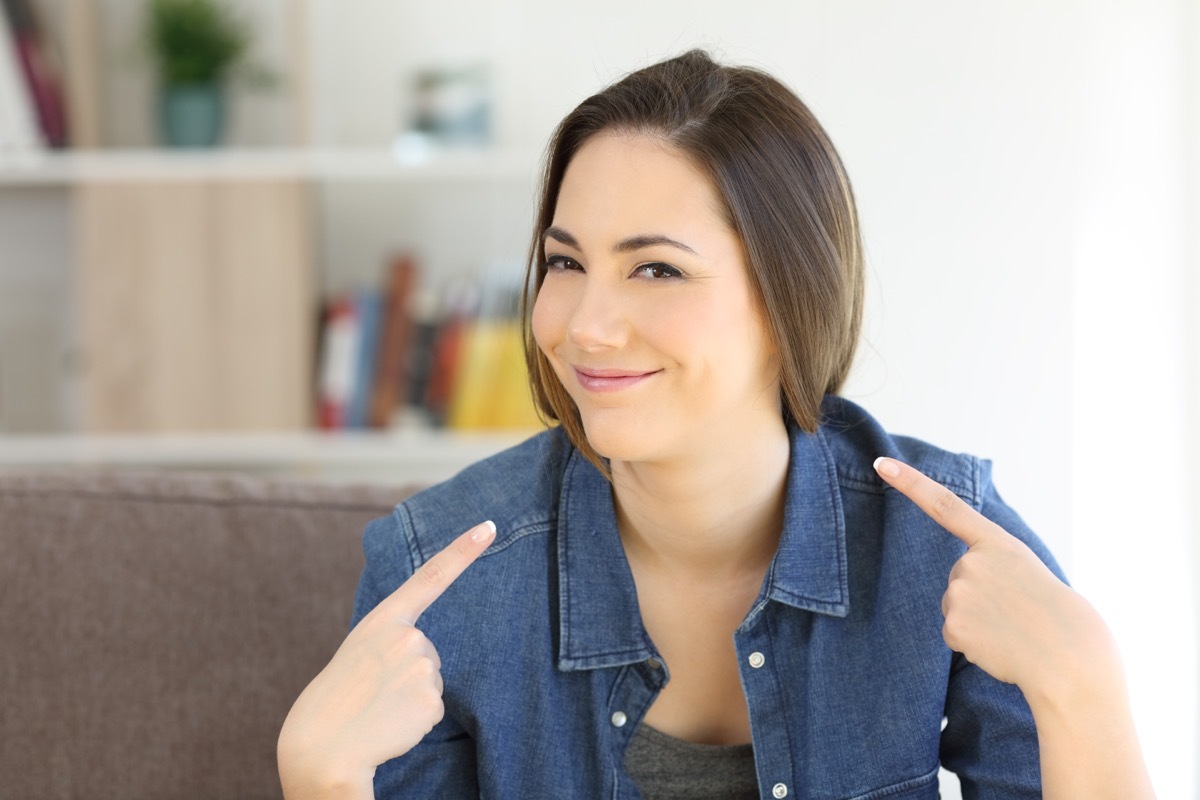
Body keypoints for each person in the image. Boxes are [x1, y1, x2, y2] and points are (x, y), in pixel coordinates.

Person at [277, 50, 1154, 800]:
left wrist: (1088, 690)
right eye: (565, 262)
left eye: (656, 270)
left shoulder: (943, 545)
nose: (585, 325)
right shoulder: (440, 576)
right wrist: (320, 786)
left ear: (788, 299)